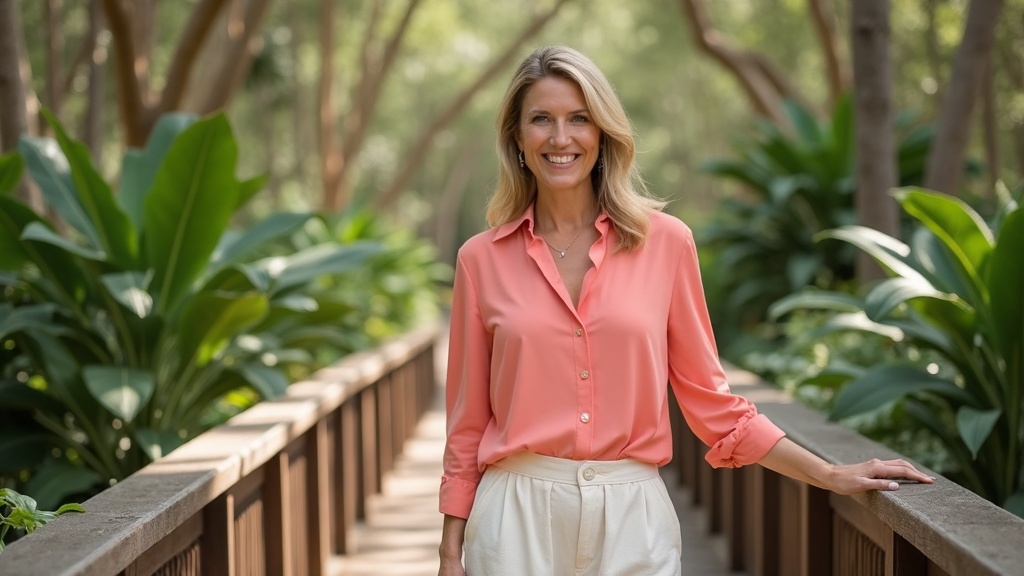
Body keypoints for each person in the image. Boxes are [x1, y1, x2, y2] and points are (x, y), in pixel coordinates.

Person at [437, 45, 933, 576]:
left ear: (603, 133)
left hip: (632, 517)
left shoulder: (667, 244)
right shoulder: (481, 259)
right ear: (517, 137)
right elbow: (467, 423)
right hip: (515, 520)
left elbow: (714, 406)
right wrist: (448, 552)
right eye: (541, 119)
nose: (561, 138)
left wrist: (830, 475)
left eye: (579, 118)